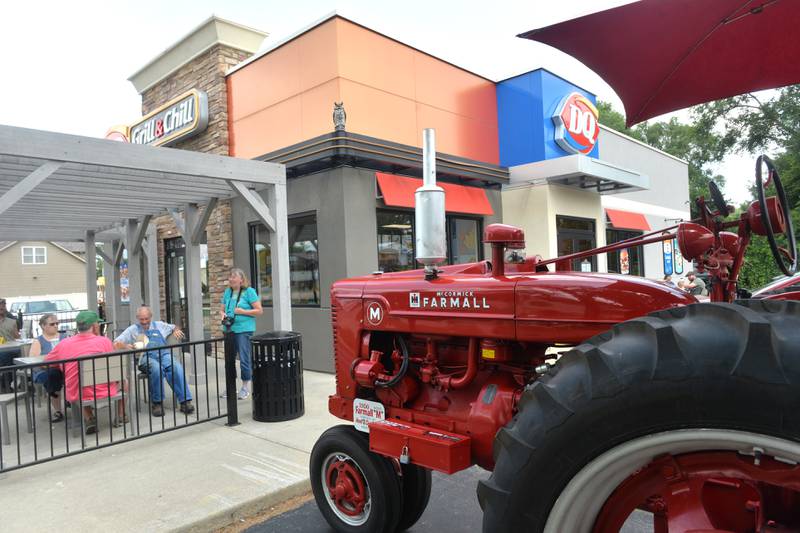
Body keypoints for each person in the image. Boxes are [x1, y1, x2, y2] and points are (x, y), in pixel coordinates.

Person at [44, 310, 126, 435]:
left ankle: (89, 418)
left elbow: (46, 363)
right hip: (106, 390)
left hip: (78, 394)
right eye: (98, 324)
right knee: (125, 380)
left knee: (76, 382)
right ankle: (121, 415)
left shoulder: (64, 344)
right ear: (94, 326)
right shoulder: (104, 342)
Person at [113, 305, 194, 417]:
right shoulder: (132, 329)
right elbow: (116, 343)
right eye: (142, 319)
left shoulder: (160, 325)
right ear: (137, 318)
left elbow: (175, 326)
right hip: (145, 357)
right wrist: (125, 345)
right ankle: (157, 403)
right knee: (156, 369)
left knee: (176, 366)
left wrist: (176, 330)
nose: (145, 322)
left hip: (163, 354)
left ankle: (185, 401)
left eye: (147, 318)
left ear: (151, 316)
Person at [221, 268, 262, 400]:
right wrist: (222, 315)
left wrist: (243, 311)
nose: (231, 279)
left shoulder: (249, 292)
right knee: (229, 360)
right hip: (229, 330)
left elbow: (259, 311)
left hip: (243, 330)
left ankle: (245, 387)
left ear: (241, 279)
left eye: (234, 277)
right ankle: (230, 387)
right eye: (230, 277)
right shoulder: (228, 292)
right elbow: (222, 309)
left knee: (244, 360)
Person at [28, 313, 67, 422]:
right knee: (53, 376)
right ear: (43, 326)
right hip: (45, 369)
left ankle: (74, 401)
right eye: (52, 324)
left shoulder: (64, 338)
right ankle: (58, 411)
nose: (55, 326)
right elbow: (34, 360)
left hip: (63, 367)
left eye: (57, 323)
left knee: (76, 373)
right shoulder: (38, 341)